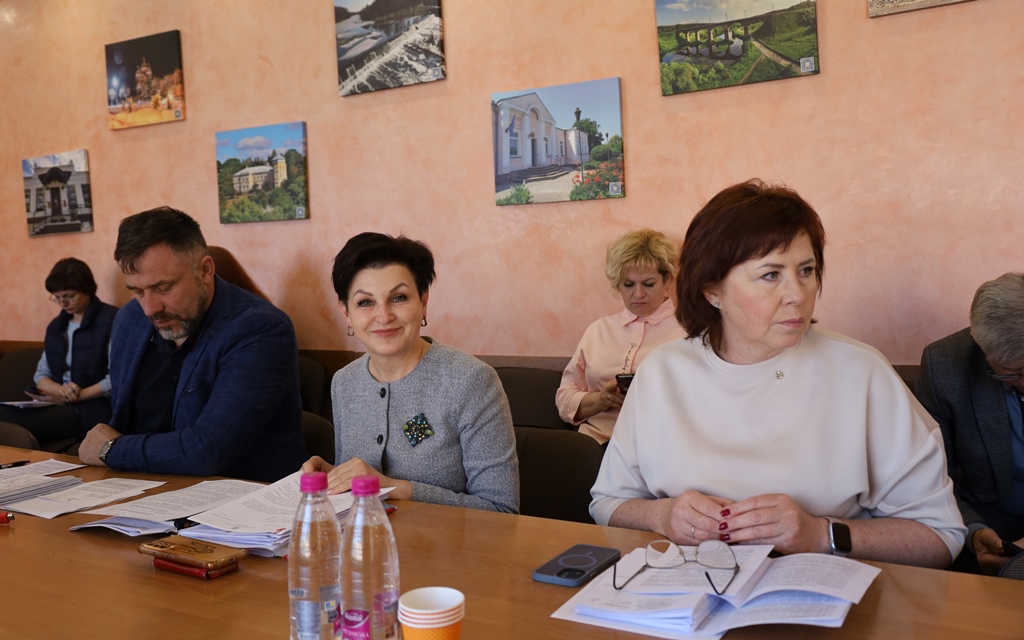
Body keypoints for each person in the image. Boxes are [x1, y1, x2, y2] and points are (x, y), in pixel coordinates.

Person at [590, 179, 966, 568]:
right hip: (687, 592)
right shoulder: (662, 372)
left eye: (806, 270)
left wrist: (821, 534)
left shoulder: (862, 373)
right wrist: (661, 515)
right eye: (771, 275)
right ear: (711, 290)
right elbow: (607, 502)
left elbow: (940, 536)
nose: (797, 294)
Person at [77, 206, 306, 482]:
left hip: (235, 496)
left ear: (205, 270)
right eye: (138, 291)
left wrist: (110, 449)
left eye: (163, 288)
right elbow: (122, 420)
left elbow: (207, 450)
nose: (150, 308)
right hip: (138, 488)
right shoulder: (130, 320)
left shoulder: (259, 328)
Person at [301, 232, 519, 513]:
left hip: (446, 542)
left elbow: (502, 510)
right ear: (346, 313)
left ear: (423, 302)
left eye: (399, 298)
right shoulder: (344, 382)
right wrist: (336, 476)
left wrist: (395, 487)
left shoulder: (471, 381)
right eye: (365, 302)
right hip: (366, 537)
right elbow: (358, 495)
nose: (383, 316)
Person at [916, 273, 1024, 576]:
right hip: (990, 519)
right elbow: (932, 478)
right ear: (982, 349)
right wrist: (973, 531)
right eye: (1012, 374)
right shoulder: (943, 366)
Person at [556, 229, 685, 444]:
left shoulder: (688, 332)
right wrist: (600, 400)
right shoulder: (598, 331)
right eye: (628, 284)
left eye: (648, 284)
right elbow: (564, 398)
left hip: (660, 444)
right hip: (595, 443)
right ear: (617, 284)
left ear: (667, 281)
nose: (638, 294)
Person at [0, 258, 117, 443]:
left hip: (94, 407)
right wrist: (60, 391)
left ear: (87, 289)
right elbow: (41, 375)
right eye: (57, 297)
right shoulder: (56, 327)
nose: (63, 303)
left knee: (5, 416)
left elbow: (117, 378)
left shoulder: (112, 320)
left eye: (69, 296)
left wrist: (75, 397)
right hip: (59, 403)